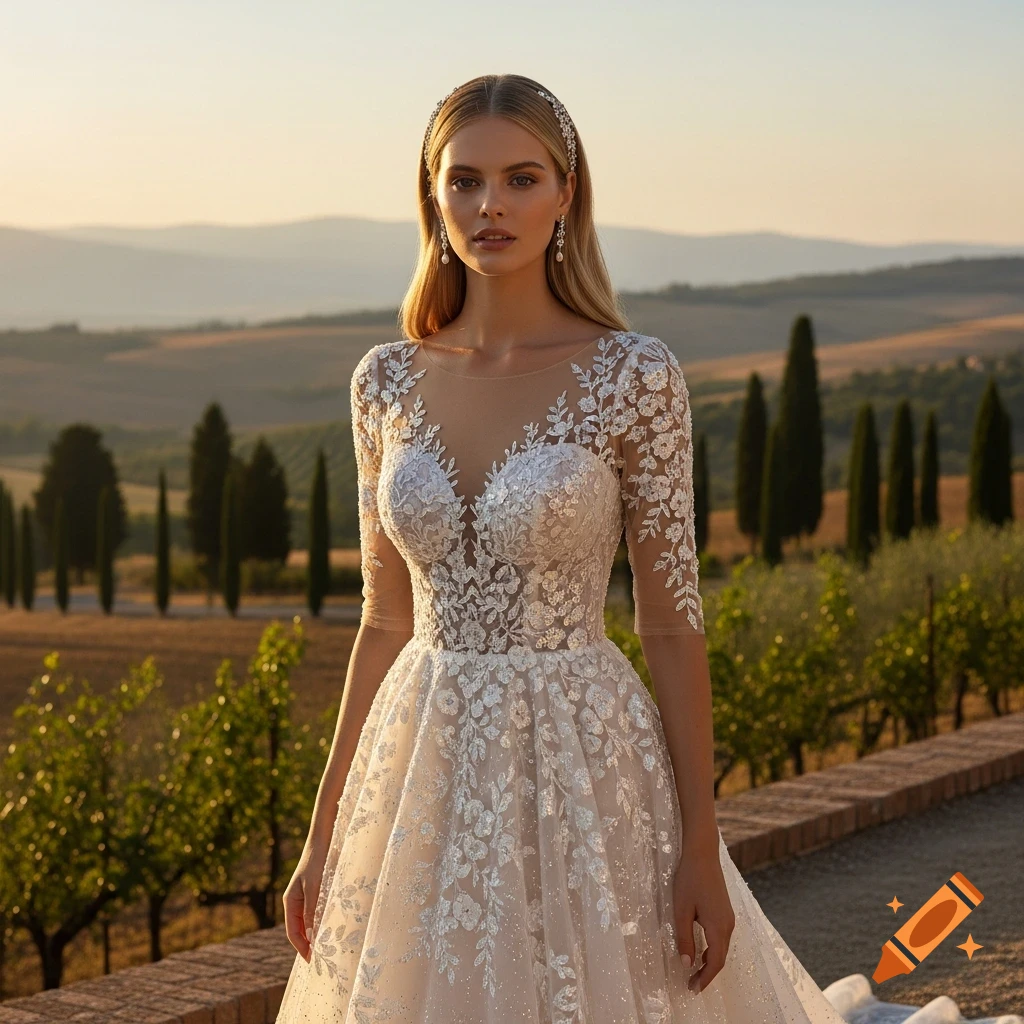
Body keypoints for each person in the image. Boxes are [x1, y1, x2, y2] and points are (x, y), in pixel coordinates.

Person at [276, 73, 849, 1023]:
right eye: (463, 181)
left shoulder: (635, 376)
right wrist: (322, 831)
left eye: (520, 178)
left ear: (566, 194)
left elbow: (670, 624)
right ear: (432, 196)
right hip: (421, 759)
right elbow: (385, 618)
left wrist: (701, 844)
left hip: (582, 761)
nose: (490, 205)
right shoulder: (383, 381)